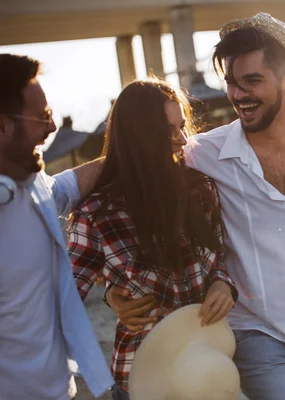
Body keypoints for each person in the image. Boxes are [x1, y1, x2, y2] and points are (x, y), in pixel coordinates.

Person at [101, 13, 285, 400]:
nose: (238, 95)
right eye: (231, 83)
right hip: (252, 329)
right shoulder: (205, 153)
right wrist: (113, 292)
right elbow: (129, 170)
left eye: (253, 80)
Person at [67, 79, 237, 399]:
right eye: (169, 130)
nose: (182, 139)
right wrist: (114, 298)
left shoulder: (200, 188)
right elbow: (65, 297)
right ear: (138, 136)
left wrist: (223, 283)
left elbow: (221, 257)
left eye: (182, 126)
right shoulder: (97, 214)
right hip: (143, 372)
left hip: (205, 366)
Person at [0, 53, 114, 399]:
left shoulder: (31, 187)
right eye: (43, 117)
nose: (52, 128)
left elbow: (68, 186)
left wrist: (134, 151)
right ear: (2, 127)